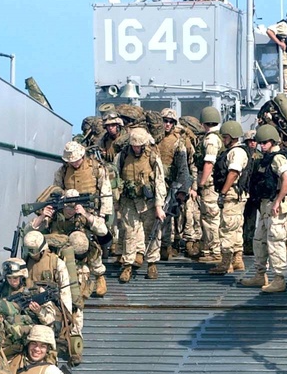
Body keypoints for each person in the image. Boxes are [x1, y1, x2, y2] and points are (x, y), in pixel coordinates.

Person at [31, 188, 109, 298]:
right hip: (58, 252)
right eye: (67, 206)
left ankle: (99, 276)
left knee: (88, 247)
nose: (70, 210)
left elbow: (103, 231)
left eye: (73, 207)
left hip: (79, 253)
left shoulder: (82, 215)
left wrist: (85, 214)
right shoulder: (54, 215)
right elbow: (33, 229)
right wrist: (43, 215)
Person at [241, 124, 287, 293]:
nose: (261, 145)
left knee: (275, 241)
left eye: (265, 142)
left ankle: (279, 278)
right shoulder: (266, 158)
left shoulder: (278, 158)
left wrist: (278, 201)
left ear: (272, 141)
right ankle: (260, 274)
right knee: (259, 240)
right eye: (260, 142)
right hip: (265, 205)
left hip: (274, 205)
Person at [115, 127, 167, 282]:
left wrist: (159, 205)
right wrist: (116, 202)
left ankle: (152, 263)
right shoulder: (122, 156)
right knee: (130, 233)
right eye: (134, 146)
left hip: (148, 202)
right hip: (129, 201)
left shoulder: (152, 157)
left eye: (139, 146)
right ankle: (127, 266)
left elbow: (159, 181)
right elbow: (115, 179)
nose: (136, 148)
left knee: (152, 231)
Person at [210, 120, 251, 275]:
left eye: (225, 137)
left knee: (227, 227)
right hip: (236, 195)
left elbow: (233, 173)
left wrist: (223, 192)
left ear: (231, 137)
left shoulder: (236, 153)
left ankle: (226, 263)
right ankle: (237, 260)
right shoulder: (239, 151)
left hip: (232, 195)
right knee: (236, 227)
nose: (223, 140)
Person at [156, 108, 195, 260]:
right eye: (165, 121)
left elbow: (184, 167)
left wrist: (184, 188)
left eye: (170, 122)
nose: (167, 124)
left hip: (170, 183)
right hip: (154, 182)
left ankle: (166, 246)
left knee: (168, 215)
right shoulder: (154, 139)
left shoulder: (178, 141)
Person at [0, 257, 59, 326]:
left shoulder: (36, 291)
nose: (12, 281)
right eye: (9, 278)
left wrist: (39, 312)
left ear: (22, 277)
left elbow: (50, 318)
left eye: (15, 278)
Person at [193, 106, 224, 263]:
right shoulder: (212, 137)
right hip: (210, 184)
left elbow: (209, 163)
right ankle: (208, 249)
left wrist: (202, 183)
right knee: (206, 217)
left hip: (210, 185)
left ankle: (215, 251)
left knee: (211, 218)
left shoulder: (211, 140)